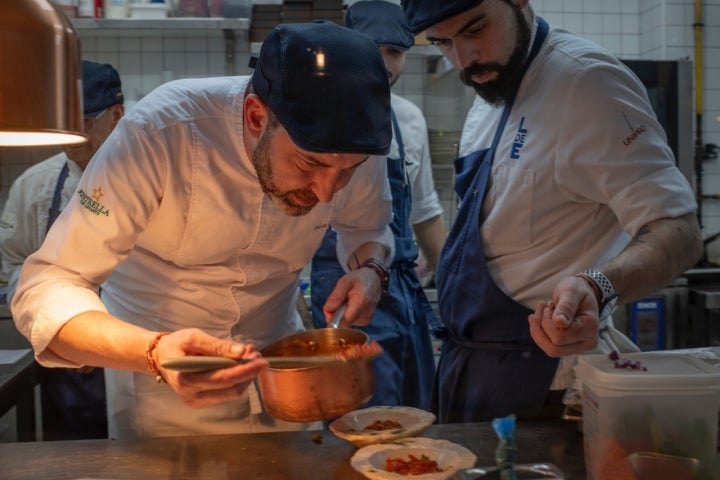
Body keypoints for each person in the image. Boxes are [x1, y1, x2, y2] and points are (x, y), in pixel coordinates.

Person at [11, 21, 396, 439]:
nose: (327, 193)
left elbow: (366, 226)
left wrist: (370, 269)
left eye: (347, 172)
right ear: (255, 117)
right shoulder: (161, 132)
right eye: (309, 165)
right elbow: (45, 287)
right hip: (163, 386)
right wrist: (155, 352)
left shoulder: (354, 143)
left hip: (285, 373)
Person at [401, 0, 703, 423]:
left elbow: (679, 231)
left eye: (475, 30)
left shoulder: (587, 83)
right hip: (474, 370)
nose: (462, 59)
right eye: (442, 43)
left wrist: (599, 285)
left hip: (544, 384)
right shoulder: (490, 89)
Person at [310, 0, 446, 410]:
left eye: (395, 52)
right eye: (374, 49)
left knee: (418, 405)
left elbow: (424, 208)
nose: (385, 64)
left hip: (404, 287)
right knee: (367, 409)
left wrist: (453, 277)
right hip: (345, 287)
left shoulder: (410, 119)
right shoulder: (317, 114)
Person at [0, 60, 125, 440]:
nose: (72, 137)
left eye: (85, 123)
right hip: (68, 365)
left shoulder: (151, 177)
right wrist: (65, 330)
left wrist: (109, 339)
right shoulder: (34, 186)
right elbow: (16, 263)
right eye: (65, 126)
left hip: (136, 355)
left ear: (117, 115)